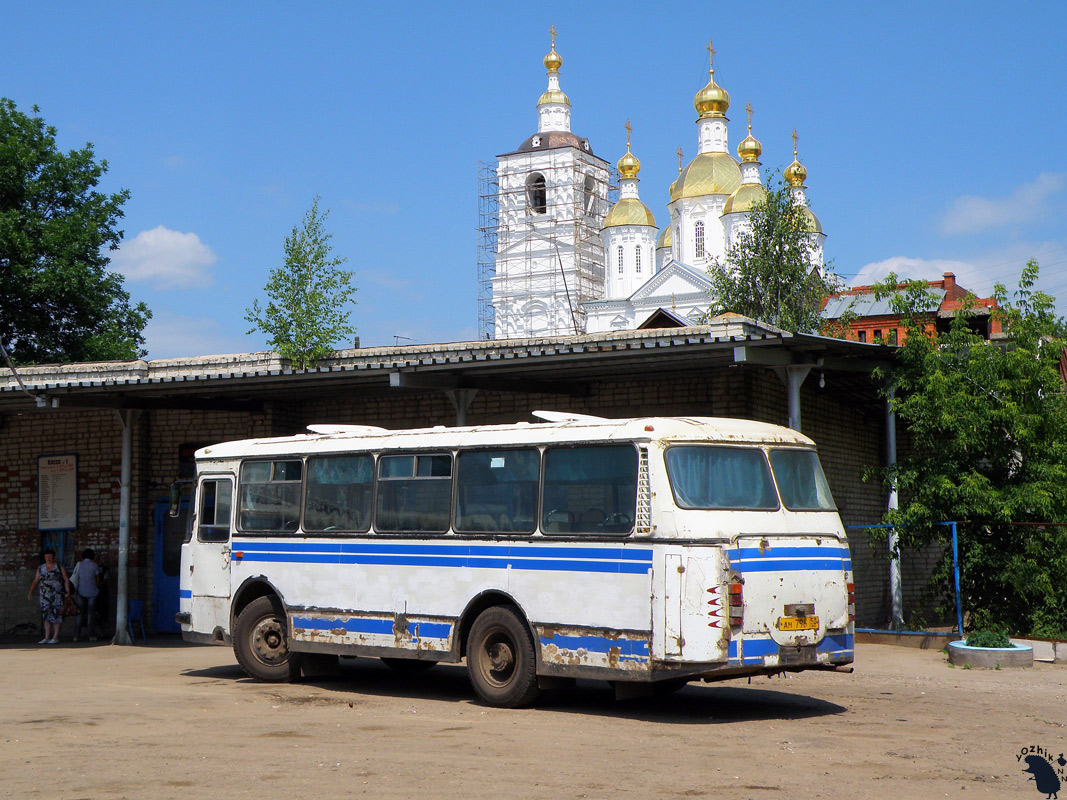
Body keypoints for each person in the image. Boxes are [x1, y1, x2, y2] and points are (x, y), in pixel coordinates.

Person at [26, 549, 71, 644]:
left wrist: (67, 591)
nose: (48, 559)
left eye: (50, 556)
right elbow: (35, 580)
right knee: (46, 615)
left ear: (53, 557)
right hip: (44, 595)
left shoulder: (59, 566)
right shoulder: (41, 568)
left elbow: (66, 579)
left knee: (57, 614)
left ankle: (55, 637)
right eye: (46, 557)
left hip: (57, 594)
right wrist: (30, 592)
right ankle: (46, 637)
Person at [72, 548, 102, 642]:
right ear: (92, 556)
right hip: (92, 591)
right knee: (90, 614)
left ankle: (76, 636)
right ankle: (91, 635)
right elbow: (98, 578)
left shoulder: (79, 564)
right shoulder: (94, 565)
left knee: (80, 613)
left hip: (80, 591)